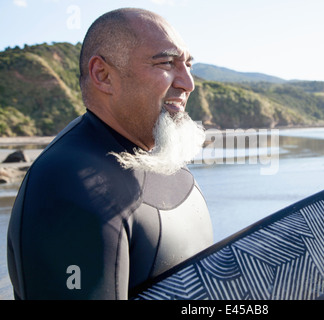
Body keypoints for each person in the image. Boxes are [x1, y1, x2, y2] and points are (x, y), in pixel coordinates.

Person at [7, 7, 213, 300]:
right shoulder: (69, 183)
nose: (187, 83)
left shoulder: (168, 164)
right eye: (166, 63)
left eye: (188, 65)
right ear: (103, 75)